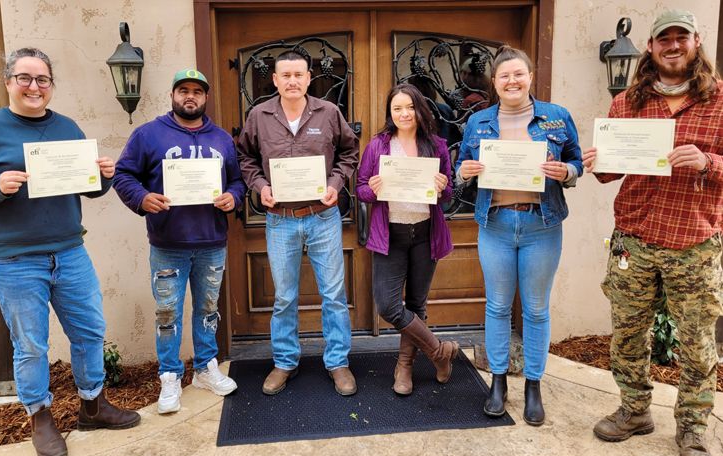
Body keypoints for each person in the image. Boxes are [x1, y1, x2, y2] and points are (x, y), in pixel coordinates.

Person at [0, 47, 140, 456]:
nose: (35, 87)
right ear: (9, 81)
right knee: (31, 344)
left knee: (89, 331)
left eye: (43, 80)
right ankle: (41, 417)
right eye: (26, 78)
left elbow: (85, 188)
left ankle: (93, 405)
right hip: (14, 259)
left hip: (69, 251)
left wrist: (102, 178)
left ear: (51, 85)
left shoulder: (66, 128)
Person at [584, 10, 722, 456]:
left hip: (693, 241)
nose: (673, 46)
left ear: (696, 43)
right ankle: (635, 411)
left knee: (697, 342)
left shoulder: (719, 100)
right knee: (627, 333)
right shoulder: (627, 102)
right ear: (651, 46)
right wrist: (596, 160)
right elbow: (609, 173)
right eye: (665, 39)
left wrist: (708, 163)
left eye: (681, 38)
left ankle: (694, 431)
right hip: (635, 237)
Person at [455, 45, 582, 426]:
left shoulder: (556, 118)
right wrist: (465, 170)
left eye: (518, 74)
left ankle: (533, 385)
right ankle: (497, 382)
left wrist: (568, 172)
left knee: (536, 309)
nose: (512, 81)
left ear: (530, 77)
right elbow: (460, 165)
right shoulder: (478, 122)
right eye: (504, 75)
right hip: (494, 224)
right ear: (494, 82)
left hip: (541, 225)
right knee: (496, 306)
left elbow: (575, 160)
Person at [112, 69, 245, 414]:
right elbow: (123, 174)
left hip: (212, 241)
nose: (190, 97)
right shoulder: (148, 135)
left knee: (207, 309)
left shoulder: (221, 140)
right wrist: (142, 198)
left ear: (205, 97)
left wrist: (233, 197)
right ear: (173, 95)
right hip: (168, 243)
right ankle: (170, 376)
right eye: (183, 90)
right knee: (167, 313)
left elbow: (237, 181)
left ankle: (205, 368)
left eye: (197, 91)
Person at [237, 50, 359, 396]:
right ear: (274, 80)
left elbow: (351, 152)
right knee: (285, 297)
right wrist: (260, 187)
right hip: (280, 221)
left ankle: (338, 362)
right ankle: (285, 361)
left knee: (334, 294)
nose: (292, 81)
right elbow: (244, 157)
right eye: (285, 75)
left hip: (322, 217)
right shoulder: (259, 116)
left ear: (308, 78)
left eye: (298, 75)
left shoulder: (330, 112)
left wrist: (335, 185)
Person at [355, 83, 457, 396]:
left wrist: (442, 187)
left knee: (416, 304)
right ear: (390, 113)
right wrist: (372, 188)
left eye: (409, 107)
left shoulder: (436, 145)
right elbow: (360, 189)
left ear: (419, 109)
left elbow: (450, 194)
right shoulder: (379, 145)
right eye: (397, 108)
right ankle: (439, 351)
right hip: (392, 234)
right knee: (388, 305)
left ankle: (405, 367)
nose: (404, 114)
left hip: (425, 233)